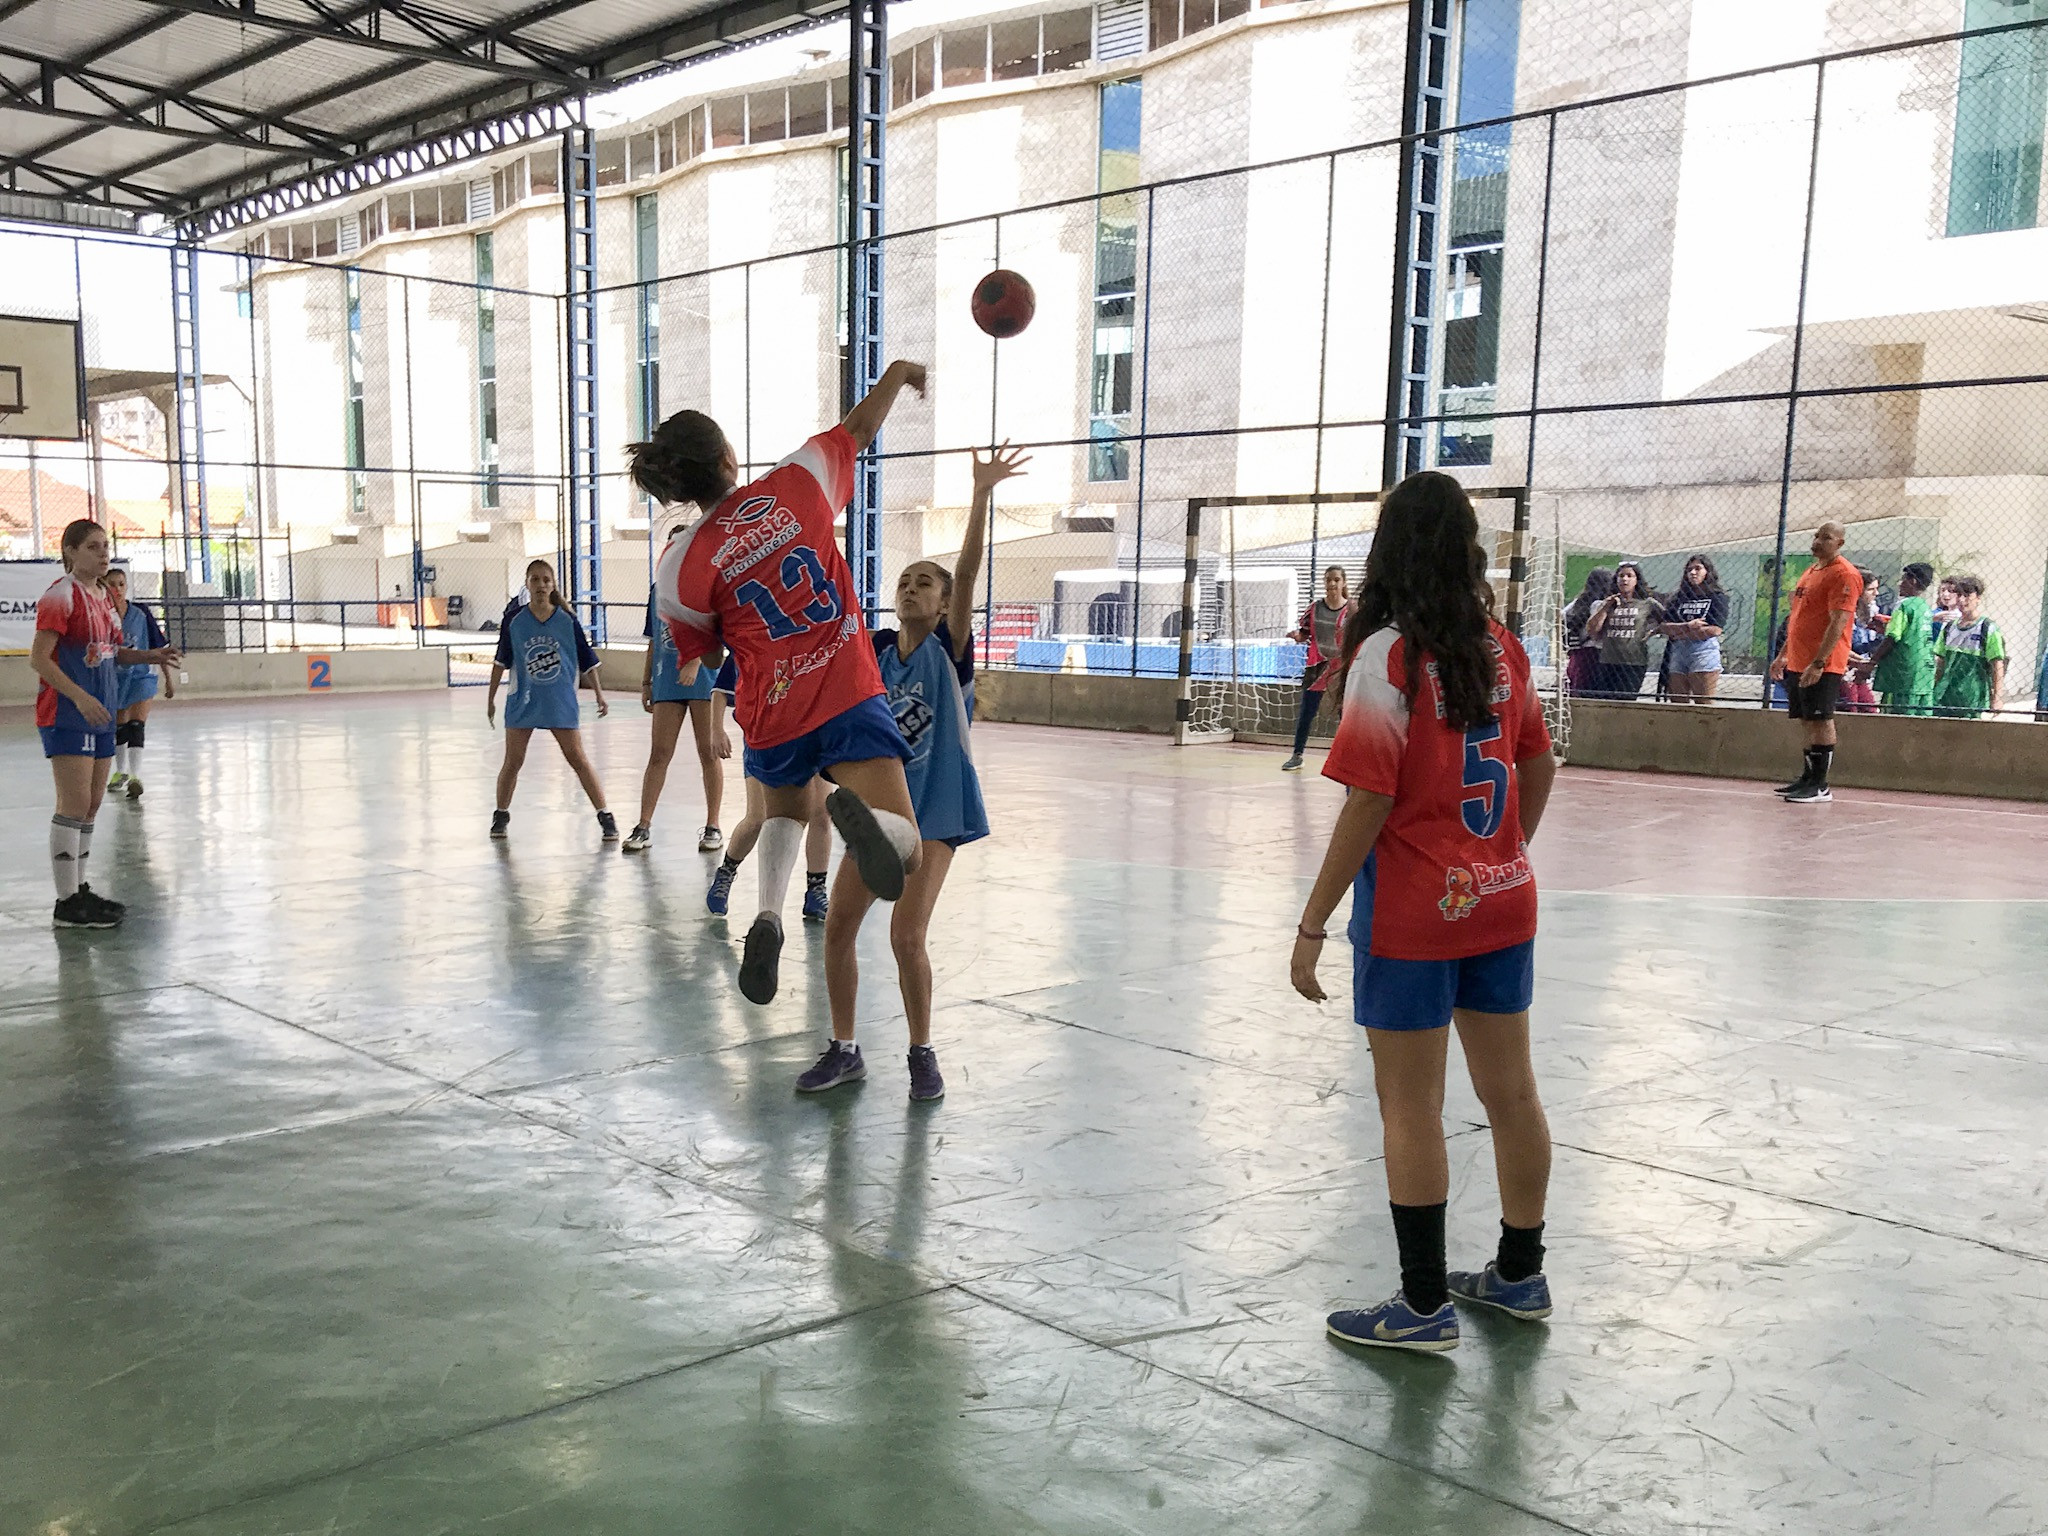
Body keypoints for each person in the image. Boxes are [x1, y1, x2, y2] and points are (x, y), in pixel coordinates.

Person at [1290, 472, 1558, 1355]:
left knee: (1410, 1105)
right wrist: (1501, 854)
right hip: (1500, 901)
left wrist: (1313, 921)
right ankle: (1520, 1274)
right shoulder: (1501, 648)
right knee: (1511, 1092)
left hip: (1414, 914)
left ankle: (1421, 1303)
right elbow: (1539, 766)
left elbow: (1367, 802)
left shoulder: (1389, 657)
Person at [632, 358, 930, 1008]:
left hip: (770, 707)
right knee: (906, 850)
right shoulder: (797, 482)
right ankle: (878, 833)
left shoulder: (680, 563)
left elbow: (696, 653)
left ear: (677, 482)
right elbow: (858, 427)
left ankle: (766, 916)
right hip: (844, 684)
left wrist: (692, 667)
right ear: (729, 458)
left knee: (787, 814)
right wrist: (899, 374)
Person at [802, 444, 1025, 1102]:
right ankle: (844, 1049)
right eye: (904, 582)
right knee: (839, 926)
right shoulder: (870, 649)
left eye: (924, 583)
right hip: (881, 813)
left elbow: (969, 565)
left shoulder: (948, 649)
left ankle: (921, 1052)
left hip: (937, 812)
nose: (910, 589)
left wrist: (981, 493)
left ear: (945, 602)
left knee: (905, 934)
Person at [30, 520, 181, 928]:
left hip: (101, 711)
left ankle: (79, 890)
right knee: (73, 804)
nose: (103, 553)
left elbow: (113, 652)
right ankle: (65, 904)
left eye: (106, 546)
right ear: (70, 552)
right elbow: (40, 658)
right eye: (93, 547)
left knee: (93, 805)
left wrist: (153, 656)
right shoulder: (61, 597)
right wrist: (78, 695)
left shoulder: (103, 598)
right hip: (67, 713)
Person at [486, 559, 616, 842]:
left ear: (553, 584)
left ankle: (605, 815)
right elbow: (500, 662)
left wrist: (599, 695)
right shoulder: (515, 621)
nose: (541, 585)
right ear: (527, 584)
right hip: (524, 701)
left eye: (546, 580)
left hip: (560, 702)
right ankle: (501, 814)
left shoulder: (567, 621)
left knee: (577, 758)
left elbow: (588, 663)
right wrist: (491, 699)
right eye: (535, 580)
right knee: (513, 760)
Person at [705, 655, 835, 924]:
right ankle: (727, 871)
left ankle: (816, 889)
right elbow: (721, 689)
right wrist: (716, 729)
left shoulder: (822, 641)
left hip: (814, 738)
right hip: (766, 741)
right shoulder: (758, 639)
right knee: (758, 818)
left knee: (822, 812)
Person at [624, 551, 730, 855]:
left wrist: (695, 660)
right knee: (659, 753)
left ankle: (713, 825)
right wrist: (647, 682)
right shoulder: (658, 590)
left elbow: (716, 633)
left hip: (703, 680)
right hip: (666, 679)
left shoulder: (706, 586)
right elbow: (654, 639)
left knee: (708, 752)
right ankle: (643, 826)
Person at [1769, 522, 1860, 804]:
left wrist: (1819, 662)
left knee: (1821, 719)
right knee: (1807, 720)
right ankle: (1807, 778)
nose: (1818, 541)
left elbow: (1838, 621)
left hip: (1823, 663)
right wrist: (1783, 654)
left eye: (1826, 538)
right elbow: (1797, 620)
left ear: (1840, 543)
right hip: (1798, 659)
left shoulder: (1844, 574)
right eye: (1816, 536)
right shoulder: (1811, 572)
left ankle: (1820, 785)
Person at [101, 566, 175, 797]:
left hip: (142, 675)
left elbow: (158, 648)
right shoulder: (101, 615)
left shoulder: (141, 613)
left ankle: (135, 775)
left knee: (137, 724)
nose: (117, 589)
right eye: (112, 584)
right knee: (119, 727)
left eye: (121, 584)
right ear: (103, 587)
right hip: (115, 678)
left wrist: (168, 681)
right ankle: (121, 771)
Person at [1281, 565, 1352, 772]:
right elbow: (1304, 633)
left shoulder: (1352, 611)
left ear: (1343, 583)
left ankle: (1345, 758)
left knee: (1345, 715)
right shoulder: (1315, 609)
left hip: (1341, 669)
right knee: (1306, 712)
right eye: (1328, 579)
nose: (1332, 583)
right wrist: (1297, 636)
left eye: (1336, 580)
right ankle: (1297, 754)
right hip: (1316, 668)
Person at [1859, 562, 1936, 716]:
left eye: (1903, 580)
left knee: (1894, 718)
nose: (1900, 584)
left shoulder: (1903, 606)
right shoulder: (1924, 607)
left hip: (1901, 676)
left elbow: (1893, 637)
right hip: (1922, 675)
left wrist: (1873, 661)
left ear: (1912, 581)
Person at [1931, 575, 2006, 719]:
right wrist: (1933, 688)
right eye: (1959, 594)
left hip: (1971, 699)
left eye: (1967, 595)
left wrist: (1997, 698)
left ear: (1978, 598)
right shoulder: (1949, 627)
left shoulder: (1987, 628)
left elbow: (1997, 664)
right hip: (1943, 697)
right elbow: (1940, 661)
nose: (1962, 600)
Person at [1584, 561, 1662, 701]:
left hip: (1634, 662)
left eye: (1629, 576)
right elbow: (1592, 631)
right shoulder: (1608, 603)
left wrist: (1655, 631)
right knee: (1603, 702)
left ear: (1637, 580)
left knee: (1625, 702)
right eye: (1621, 576)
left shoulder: (1647, 603)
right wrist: (1605, 607)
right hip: (1608, 661)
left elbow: (1666, 619)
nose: (1624, 579)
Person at [1657, 555, 1729, 704]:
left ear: (1707, 571)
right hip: (1678, 652)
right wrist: (1689, 627)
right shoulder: (1678, 598)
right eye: (1689, 569)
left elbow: (1714, 630)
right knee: (1678, 703)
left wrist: (1679, 633)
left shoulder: (1717, 597)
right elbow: (1664, 627)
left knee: (1703, 703)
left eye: (1698, 568)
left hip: (1703, 652)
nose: (1693, 573)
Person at [1561, 567, 1614, 698]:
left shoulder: (1577, 603)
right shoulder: (1600, 604)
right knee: (1591, 692)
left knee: (1576, 690)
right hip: (1595, 653)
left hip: (1578, 653)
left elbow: (1562, 616)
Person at [1839, 568, 1883, 715]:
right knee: (1850, 709)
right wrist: (1862, 661)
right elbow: (1845, 646)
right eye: (1871, 589)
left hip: (1858, 669)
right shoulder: (1845, 611)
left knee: (1869, 709)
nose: (1876, 594)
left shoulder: (1865, 612)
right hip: (1844, 669)